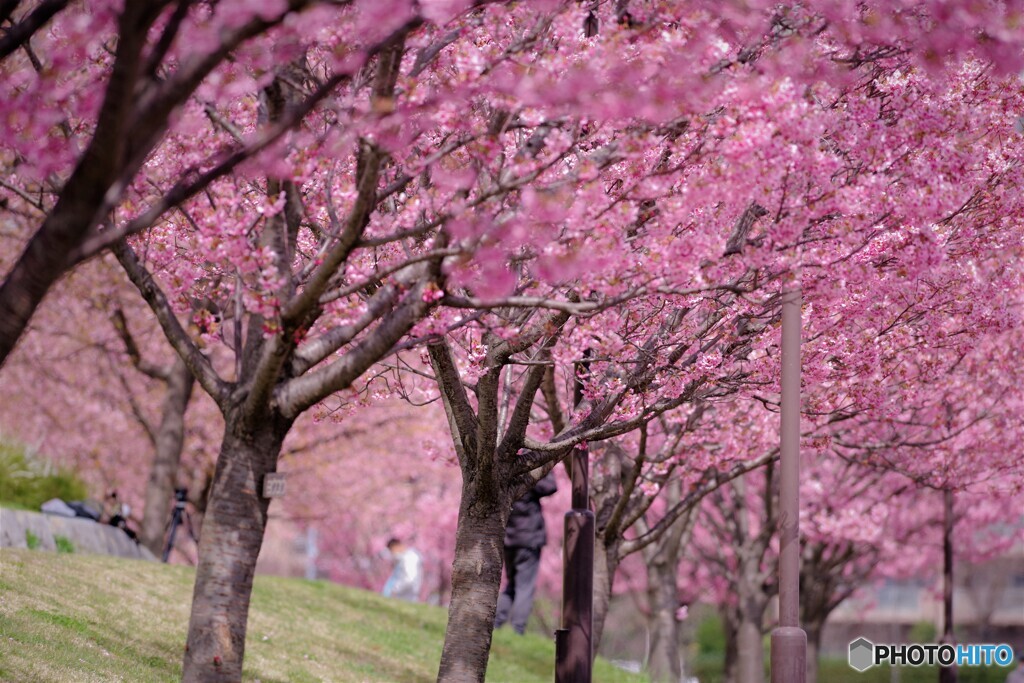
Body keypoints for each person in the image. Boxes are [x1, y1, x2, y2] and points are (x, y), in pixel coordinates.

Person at [494, 471, 557, 634]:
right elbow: (550, 486)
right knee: (525, 586)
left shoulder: (506, 472)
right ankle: (518, 627)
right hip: (529, 538)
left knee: (512, 583)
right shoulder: (528, 472)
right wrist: (545, 466)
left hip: (509, 538)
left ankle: (498, 622)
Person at [382, 537, 423, 602]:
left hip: (406, 597)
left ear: (396, 546)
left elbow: (410, 579)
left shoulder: (409, 557)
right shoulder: (403, 559)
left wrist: (395, 590)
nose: (393, 553)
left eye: (392, 550)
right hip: (402, 597)